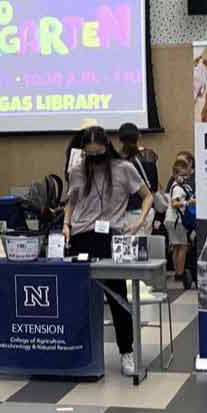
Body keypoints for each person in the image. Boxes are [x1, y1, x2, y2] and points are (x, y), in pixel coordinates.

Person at [63, 125, 156, 377]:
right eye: (90, 155)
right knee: (77, 297)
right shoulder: (78, 170)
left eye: (99, 154)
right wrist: (66, 225)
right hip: (81, 237)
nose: (95, 160)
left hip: (112, 238)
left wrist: (138, 222)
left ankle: (127, 353)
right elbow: (71, 201)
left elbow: (148, 196)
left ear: (107, 148)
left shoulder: (124, 169)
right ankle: (77, 352)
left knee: (117, 297)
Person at [163, 151, 195, 287]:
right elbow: (175, 203)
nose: (183, 178)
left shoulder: (179, 186)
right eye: (180, 175)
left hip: (171, 220)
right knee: (182, 246)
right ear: (175, 175)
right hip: (176, 220)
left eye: (185, 175)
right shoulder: (177, 188)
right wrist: (188, 203)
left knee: (176, 247)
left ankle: (177, 272)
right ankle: (180, 273)